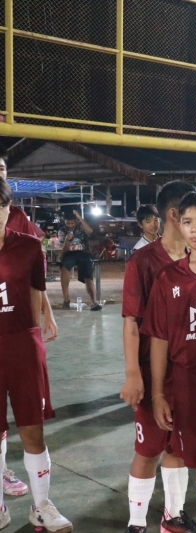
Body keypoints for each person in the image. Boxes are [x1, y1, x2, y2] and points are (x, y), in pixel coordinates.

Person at [141, 191, 196, 533]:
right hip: (188, 382)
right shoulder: (168, 278)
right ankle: (188, 522)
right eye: (188, 222)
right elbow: (159, 338)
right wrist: (158, 393)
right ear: (178, 224)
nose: (195, 229)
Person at [119, 180, 196, 533]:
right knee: (148, 449)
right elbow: (131, 322)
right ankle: (136, 523)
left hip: (191, 372)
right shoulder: (144, 261)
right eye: (192, 215)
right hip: (154, 372)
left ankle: (173, 517)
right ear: (175, 215)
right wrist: (133, 373)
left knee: (178, 447)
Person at [0, 180, 72, 532]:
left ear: (8, 209)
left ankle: (41, 505)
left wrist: (35, 340)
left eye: (0, 206)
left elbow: (34, 296)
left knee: (33, 429)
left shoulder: (28, 246)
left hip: (22, 347)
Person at [0, 150, 56, 500]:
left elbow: (35, 287)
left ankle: (41, 503)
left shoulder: (26, 239)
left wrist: (42, 320)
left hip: (20, 339)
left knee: (32, 427)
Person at [57, 211, 102, 311]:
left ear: (76, 221)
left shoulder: (81, 227)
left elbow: (90, 231)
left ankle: (94, 302)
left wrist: (80, 217)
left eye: (72, 223)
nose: (70, 225)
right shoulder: (62, 231)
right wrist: (66, 240)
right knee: (64, 267)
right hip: (69, 253)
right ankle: (66, 299)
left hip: (84, 252)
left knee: (88, 276)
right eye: (68, 223)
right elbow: (64, 250)